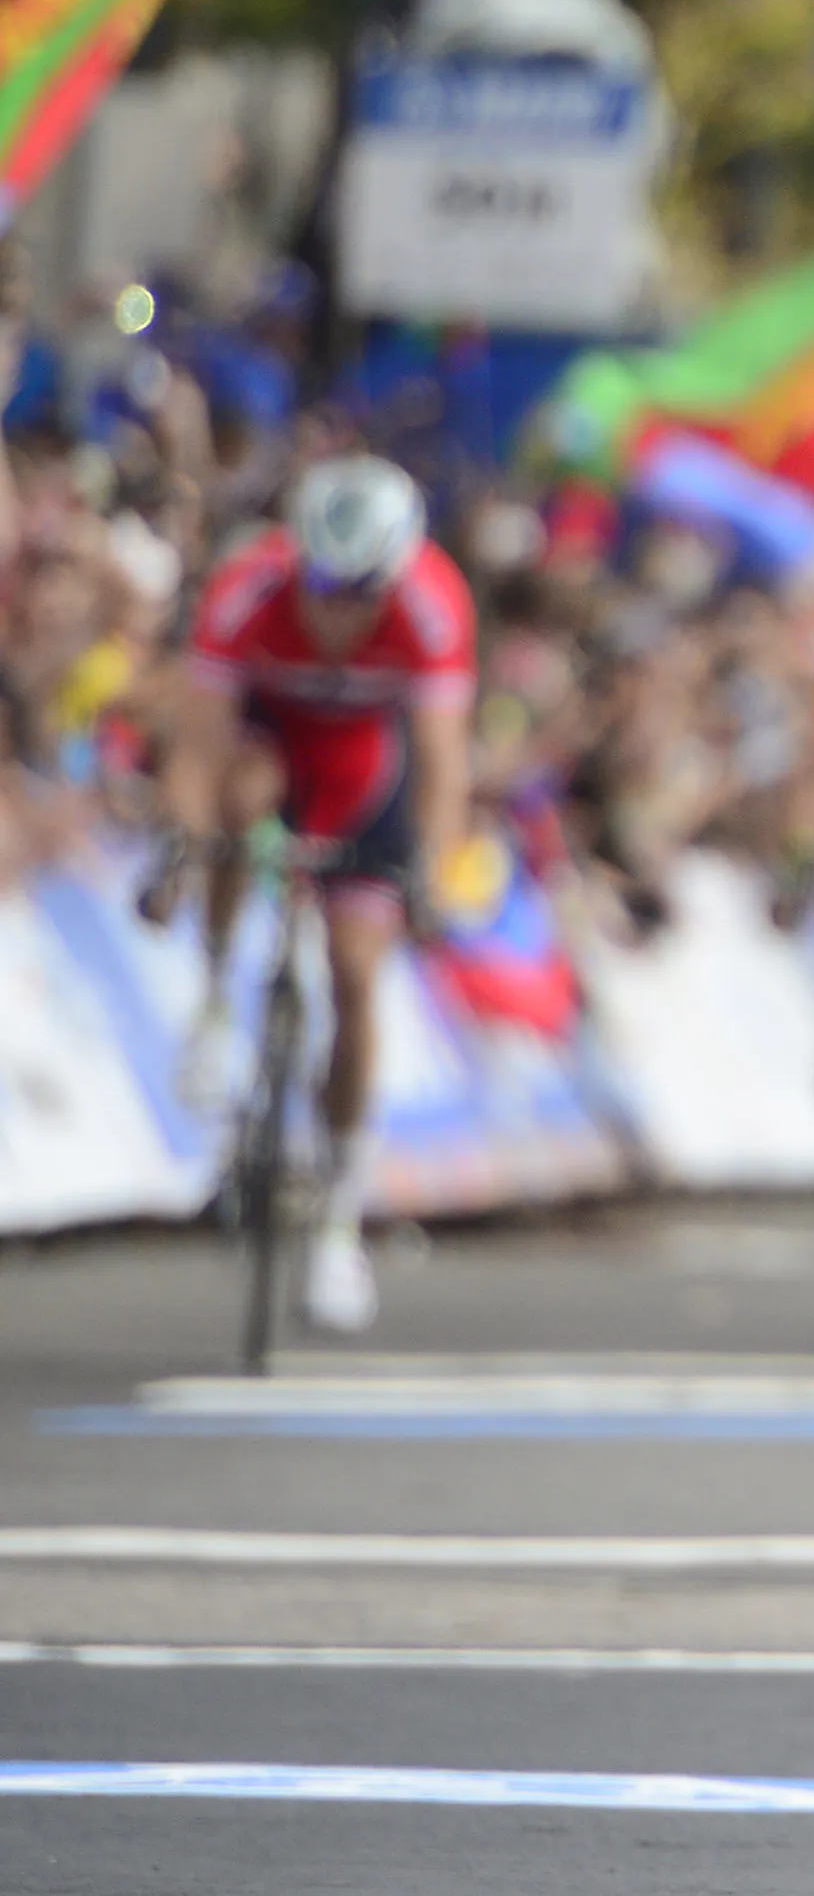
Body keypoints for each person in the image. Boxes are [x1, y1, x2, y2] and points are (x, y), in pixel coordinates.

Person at [156, 456, 476, 1336]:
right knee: (233, 799)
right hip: (269, 747)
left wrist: (434, 877)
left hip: (365, 770)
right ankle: (218, 999)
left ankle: (340, 1219)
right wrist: (182, 853)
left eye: (358, 589)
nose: (336, 610)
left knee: (356, 972)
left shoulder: (431, 606)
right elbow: (195, 749)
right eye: (321, 584)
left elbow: (445, 766)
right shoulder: (244, 591)